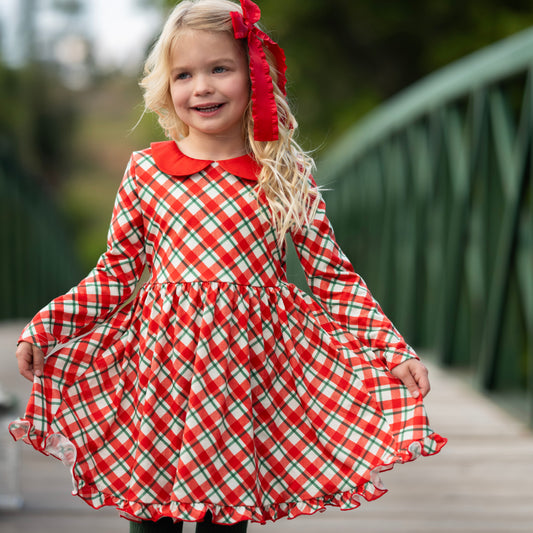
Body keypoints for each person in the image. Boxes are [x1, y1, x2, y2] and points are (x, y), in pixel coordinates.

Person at [10, 0, 446, 531]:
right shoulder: (148, 170)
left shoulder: (283, 174)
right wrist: (48, 326)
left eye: (220, 68)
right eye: (184, 74)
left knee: (225, 514)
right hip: (161, 373)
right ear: (166, 86)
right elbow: (117, 271)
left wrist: (389, 349)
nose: (203, 87)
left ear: (255, 76)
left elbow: (332, 276)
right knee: (151, 511)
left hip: (244, 376)